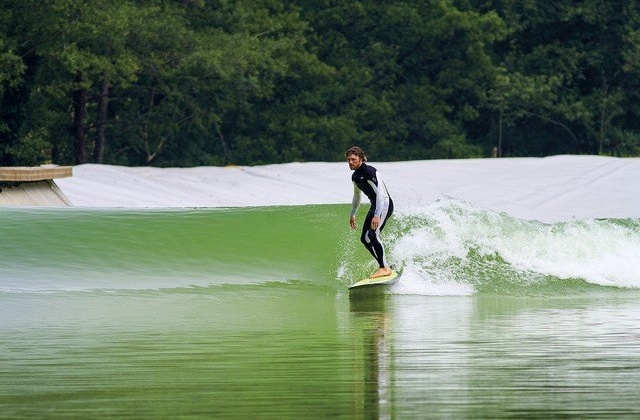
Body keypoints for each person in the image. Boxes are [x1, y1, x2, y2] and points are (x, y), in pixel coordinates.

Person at [346, 146, 394, 278]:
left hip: (384, 205)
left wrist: (377, 215)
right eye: (348, 160)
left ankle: (384, 268)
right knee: (365, 239)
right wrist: (352, 214)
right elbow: (357, 196)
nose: (350, 162)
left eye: (353, 159)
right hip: (375, 206)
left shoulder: (370, 172)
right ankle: (384, 264)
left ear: (360, 158)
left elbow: (380, 195)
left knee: (373, 235)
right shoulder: (355, 176)